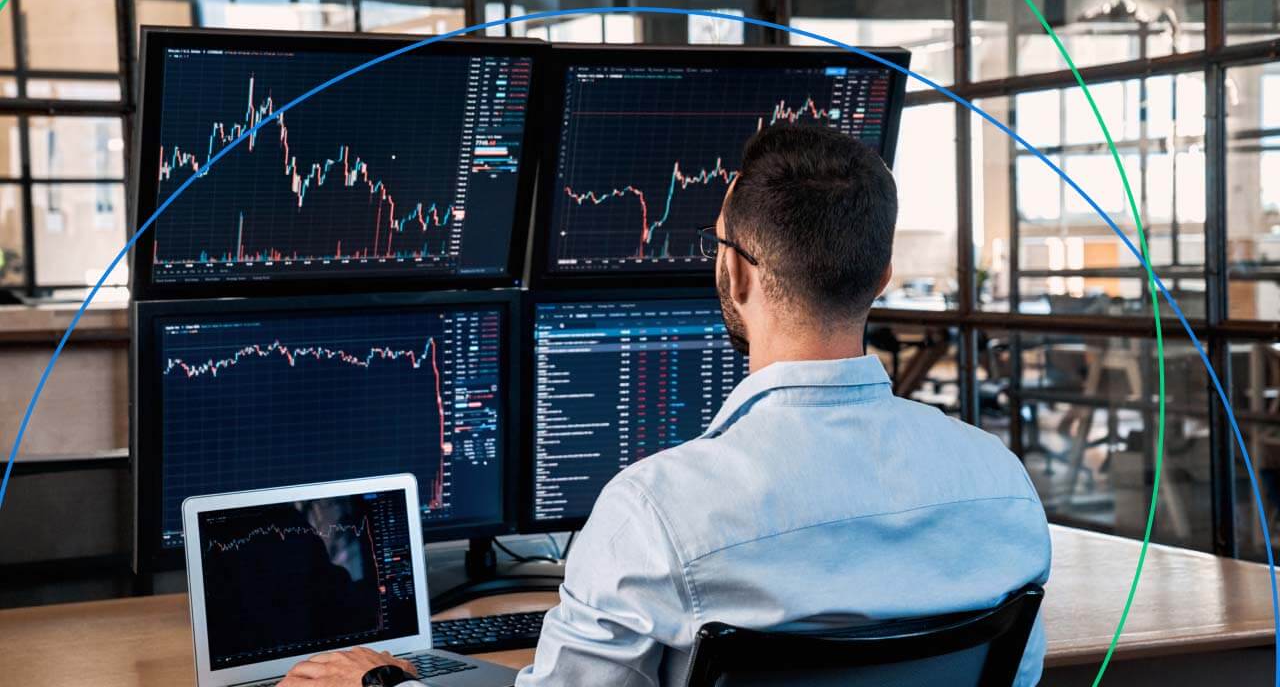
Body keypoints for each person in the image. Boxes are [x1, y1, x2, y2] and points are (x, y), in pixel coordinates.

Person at [281, 122, 1052, 687]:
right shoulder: (1000, 485)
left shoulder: (657, 514)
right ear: (882, 276)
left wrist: (385, 685)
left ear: (736, 274)